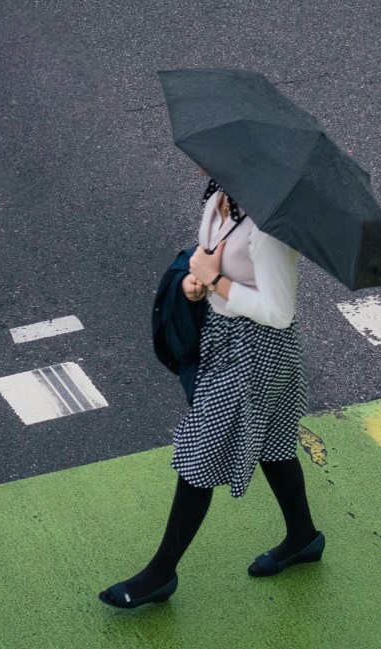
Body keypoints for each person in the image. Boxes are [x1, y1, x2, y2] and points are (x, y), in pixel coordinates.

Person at [98, 172, 324, 609]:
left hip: (258, 351)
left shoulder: (269, 228)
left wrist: (217, 281)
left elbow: (279, 311)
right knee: (274, 445)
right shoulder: (223, 197)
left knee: (200, 454)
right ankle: (303, 538)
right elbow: (209, 259)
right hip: (222, 336)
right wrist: (195, 284)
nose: (203, 166)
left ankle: (160, 573)